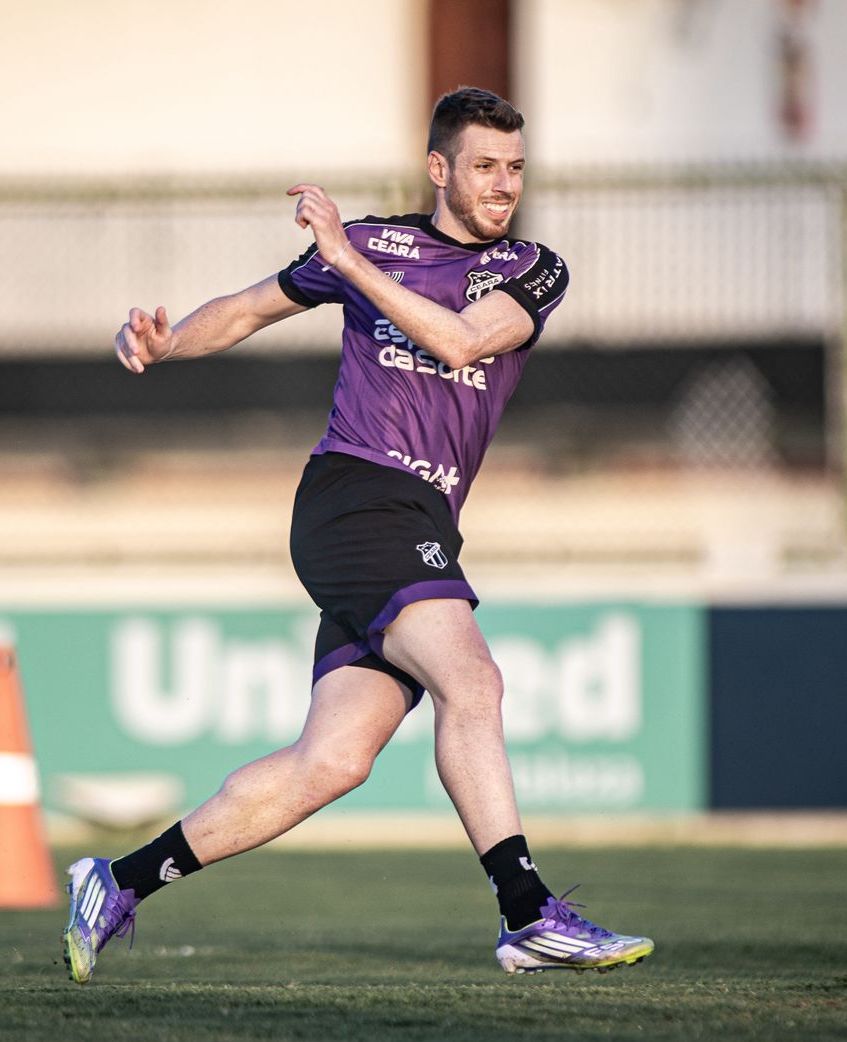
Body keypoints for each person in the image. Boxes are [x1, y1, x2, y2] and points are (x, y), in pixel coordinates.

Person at [63, 88, 653, 981]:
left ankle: (116, 881)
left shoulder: (534, 267)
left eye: (516, 169)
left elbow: (460, 342)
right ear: (439, 168)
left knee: (332, 761)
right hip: (356, 494)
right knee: (474, 681)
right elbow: (252, 308)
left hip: (420, 519)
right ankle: (528, 912)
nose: (503, 187)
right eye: (485, 166)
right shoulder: (376, 243)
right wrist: (165, 339)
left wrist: (344, 258)